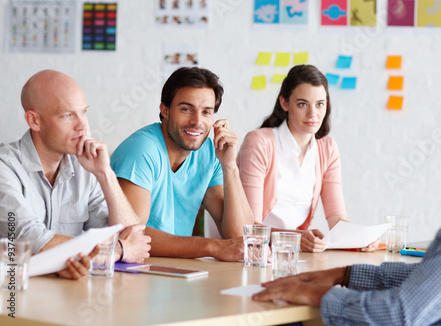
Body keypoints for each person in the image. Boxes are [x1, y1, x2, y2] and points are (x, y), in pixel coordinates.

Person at [253, 45, 441, 325]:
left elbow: (399, 313)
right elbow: (432, 277)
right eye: (302, 103)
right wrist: (345, 275)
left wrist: (320, 295)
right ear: (285, 103)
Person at [0, 70, 151, 280]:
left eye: (84, 112)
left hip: (68, 297)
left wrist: (105, 174)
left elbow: (132, 236)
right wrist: (117, 250)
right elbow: (32, 242)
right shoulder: (4, 167)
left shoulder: (85, 167)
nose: (83, 127)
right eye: (67, 115)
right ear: (34, 121)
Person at [111, 67, 253, 261]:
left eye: (206, 112)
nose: (197, 121)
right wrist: (211, 246)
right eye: (186, 109)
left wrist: (230, 167)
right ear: (165, 110)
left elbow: (238, 234)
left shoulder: (210, 153)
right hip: (133, 269)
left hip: (176, 269)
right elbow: (132, 234)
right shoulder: (142, 149)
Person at [237, 65, 378, 252]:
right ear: (284, 103)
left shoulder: (327, 148)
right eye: (302, 104)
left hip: (291, 253)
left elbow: (336, 218)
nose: (313, 114)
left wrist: (360, 239)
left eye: (320, 104)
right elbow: (249, 227)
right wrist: (296, 238)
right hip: (250, 254)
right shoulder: (259, 143)